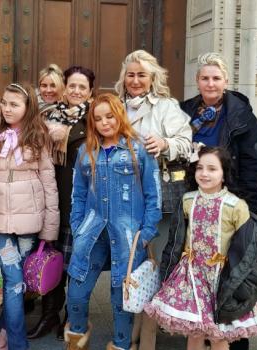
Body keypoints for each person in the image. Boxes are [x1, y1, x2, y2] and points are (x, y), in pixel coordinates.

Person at [145, 146, 257, 350]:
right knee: (195, 332)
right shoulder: (187, 200)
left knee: (218, 335)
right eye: (200, 168)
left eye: (212, 169)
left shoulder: (235, 205)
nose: (204, 173)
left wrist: (243, 283)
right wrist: (167, 273)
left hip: (220, 278)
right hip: (191, 275)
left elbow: (248, 249)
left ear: (224, 173)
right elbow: (175, 240)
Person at [64, 93, 161, 350]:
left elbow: (154, 195)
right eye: (98, 118)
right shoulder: (86, 151)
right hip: (91, 233)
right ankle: (76, 338)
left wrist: (146, 232)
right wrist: (77, 226)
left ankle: (120, 344)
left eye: (110, 116)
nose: (105, 122)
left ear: (120, 115)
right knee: (76, 293)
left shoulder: (139, 149)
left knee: (122, 299)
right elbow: (78, 194)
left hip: (129, 236)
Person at [0, 83, 59, 350]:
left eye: (15, 104)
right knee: (13, 278)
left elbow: (48, 180)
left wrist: (49, 227)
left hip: (30, 220)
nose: (8, 109)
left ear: (27, 107)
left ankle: (7, 330)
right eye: (5, 103)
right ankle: (18, 344)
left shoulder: (38, 133)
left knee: (17, 280)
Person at [115, 49, 192, 350]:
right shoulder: (116, 105)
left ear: (152, 78)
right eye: (131, 74)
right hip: (121, 199)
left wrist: (165, 143)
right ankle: (130, 329)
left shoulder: (166, 106)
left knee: (153, 265)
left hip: (157, 201)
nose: (135, 80)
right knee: (129, 264)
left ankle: (145, 337)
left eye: (141, 75)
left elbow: (187, 144)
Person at [38, 65, 96, 340]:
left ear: (90, 92)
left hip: (79, 203)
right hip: (50, 200)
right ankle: (48, 315)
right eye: (72, 86)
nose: (76, 91)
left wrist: (68, 135)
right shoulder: (48, 116)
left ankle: (72, 318)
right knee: (51, 258)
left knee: (74, 263)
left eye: (82, 87)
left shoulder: (95, 120)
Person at [180, 52, 257, 215]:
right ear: (197, 81)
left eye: (216, 79)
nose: (210, 84)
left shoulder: (242, 116)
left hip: (228, 202)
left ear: (226, 82)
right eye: (205, 78)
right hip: (189, 199)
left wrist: (248, 211)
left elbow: (253, 166)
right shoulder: (182, 112)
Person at [25, 63, 68, 339]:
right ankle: (35, 299)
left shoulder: (69, 115)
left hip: (62, 185)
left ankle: (54, 312)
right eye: (44, 85)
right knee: (35, 248)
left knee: (56, 247)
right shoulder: (29, 112)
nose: (49, 90)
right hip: (31, 186)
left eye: (54, 85)